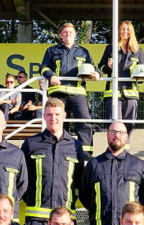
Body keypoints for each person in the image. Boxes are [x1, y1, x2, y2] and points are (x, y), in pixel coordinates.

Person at [21, 97, 84, 225]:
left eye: (57, 114)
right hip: (36, 220)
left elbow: (79, 181)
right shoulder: (31, 144)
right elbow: (22, 179)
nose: (53, 118)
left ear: (64, 116)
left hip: (65, 220)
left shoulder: (75, 146)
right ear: (44, 116)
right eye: (49, 114)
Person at [40, 22, 101, 158]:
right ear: (61, 35)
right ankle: (59, 150)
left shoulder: (83, 52)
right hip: (58, 93)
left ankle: (85, 153)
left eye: (70, 32)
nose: (68, 34)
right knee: (59, 121)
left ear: (75, 35)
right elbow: (43, 67)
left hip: (78, 92)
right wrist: (51, 75)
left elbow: (94, 68)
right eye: (65, 32)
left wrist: (97, 74)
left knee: (85, 121)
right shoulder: (52, 50)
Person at [98, 21, 144, 145]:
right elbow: (100, 67)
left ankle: (126, 149)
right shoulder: (111, 47)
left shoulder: (137, 50)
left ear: (132, 32)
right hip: (113, 91)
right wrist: (108, 67)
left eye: (128, 29)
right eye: (123, 29)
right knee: (114, 124)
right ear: (119, 31)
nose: (125, 32)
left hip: (131, 92)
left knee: (129, 124)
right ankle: (113, 147)